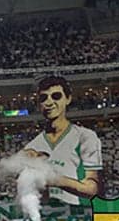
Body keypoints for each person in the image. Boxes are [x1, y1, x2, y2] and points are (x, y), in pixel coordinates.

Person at [23, 76, 103, 205]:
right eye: (43, 98)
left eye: (56, 96)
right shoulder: (33, 146)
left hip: (83, 210)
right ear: (39, 104)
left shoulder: (85, 136)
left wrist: (55, 180)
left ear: (68, 99)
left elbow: (93, 189)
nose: (49, 102)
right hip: (51, 213)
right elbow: (40, 199)